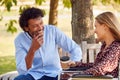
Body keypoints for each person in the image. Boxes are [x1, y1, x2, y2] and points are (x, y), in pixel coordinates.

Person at [14, 7, 82, 80]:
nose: (40, 28)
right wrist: (33, 49)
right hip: (34, 75)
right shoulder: (20, 40)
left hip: (55, 74)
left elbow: (75, 48)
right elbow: (22, 69)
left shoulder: (52, 31)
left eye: (41, 23)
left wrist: (74, 62)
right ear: (26, 28)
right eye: (35, 26)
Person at [68, 11, 120, 78]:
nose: (95, 31)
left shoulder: (116, 48)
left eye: (96, 26)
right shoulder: (105, 46)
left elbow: (100, 69)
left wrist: (76, 76)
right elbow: (96, 65)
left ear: (105, 27)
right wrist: (76, 64)